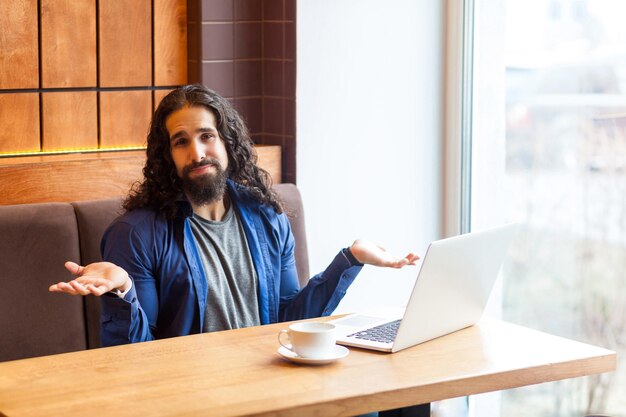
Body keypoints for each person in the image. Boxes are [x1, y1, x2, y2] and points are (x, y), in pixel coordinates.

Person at [49, 84, 418, 347]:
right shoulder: (136, 233)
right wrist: (123, 290)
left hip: (271, 383)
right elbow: (135, 357)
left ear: (226, 142)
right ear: (167, 157)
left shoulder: (268, 218)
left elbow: (289, 320)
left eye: (206, 136)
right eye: (181, 142)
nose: (197, 153)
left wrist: (350, 259)